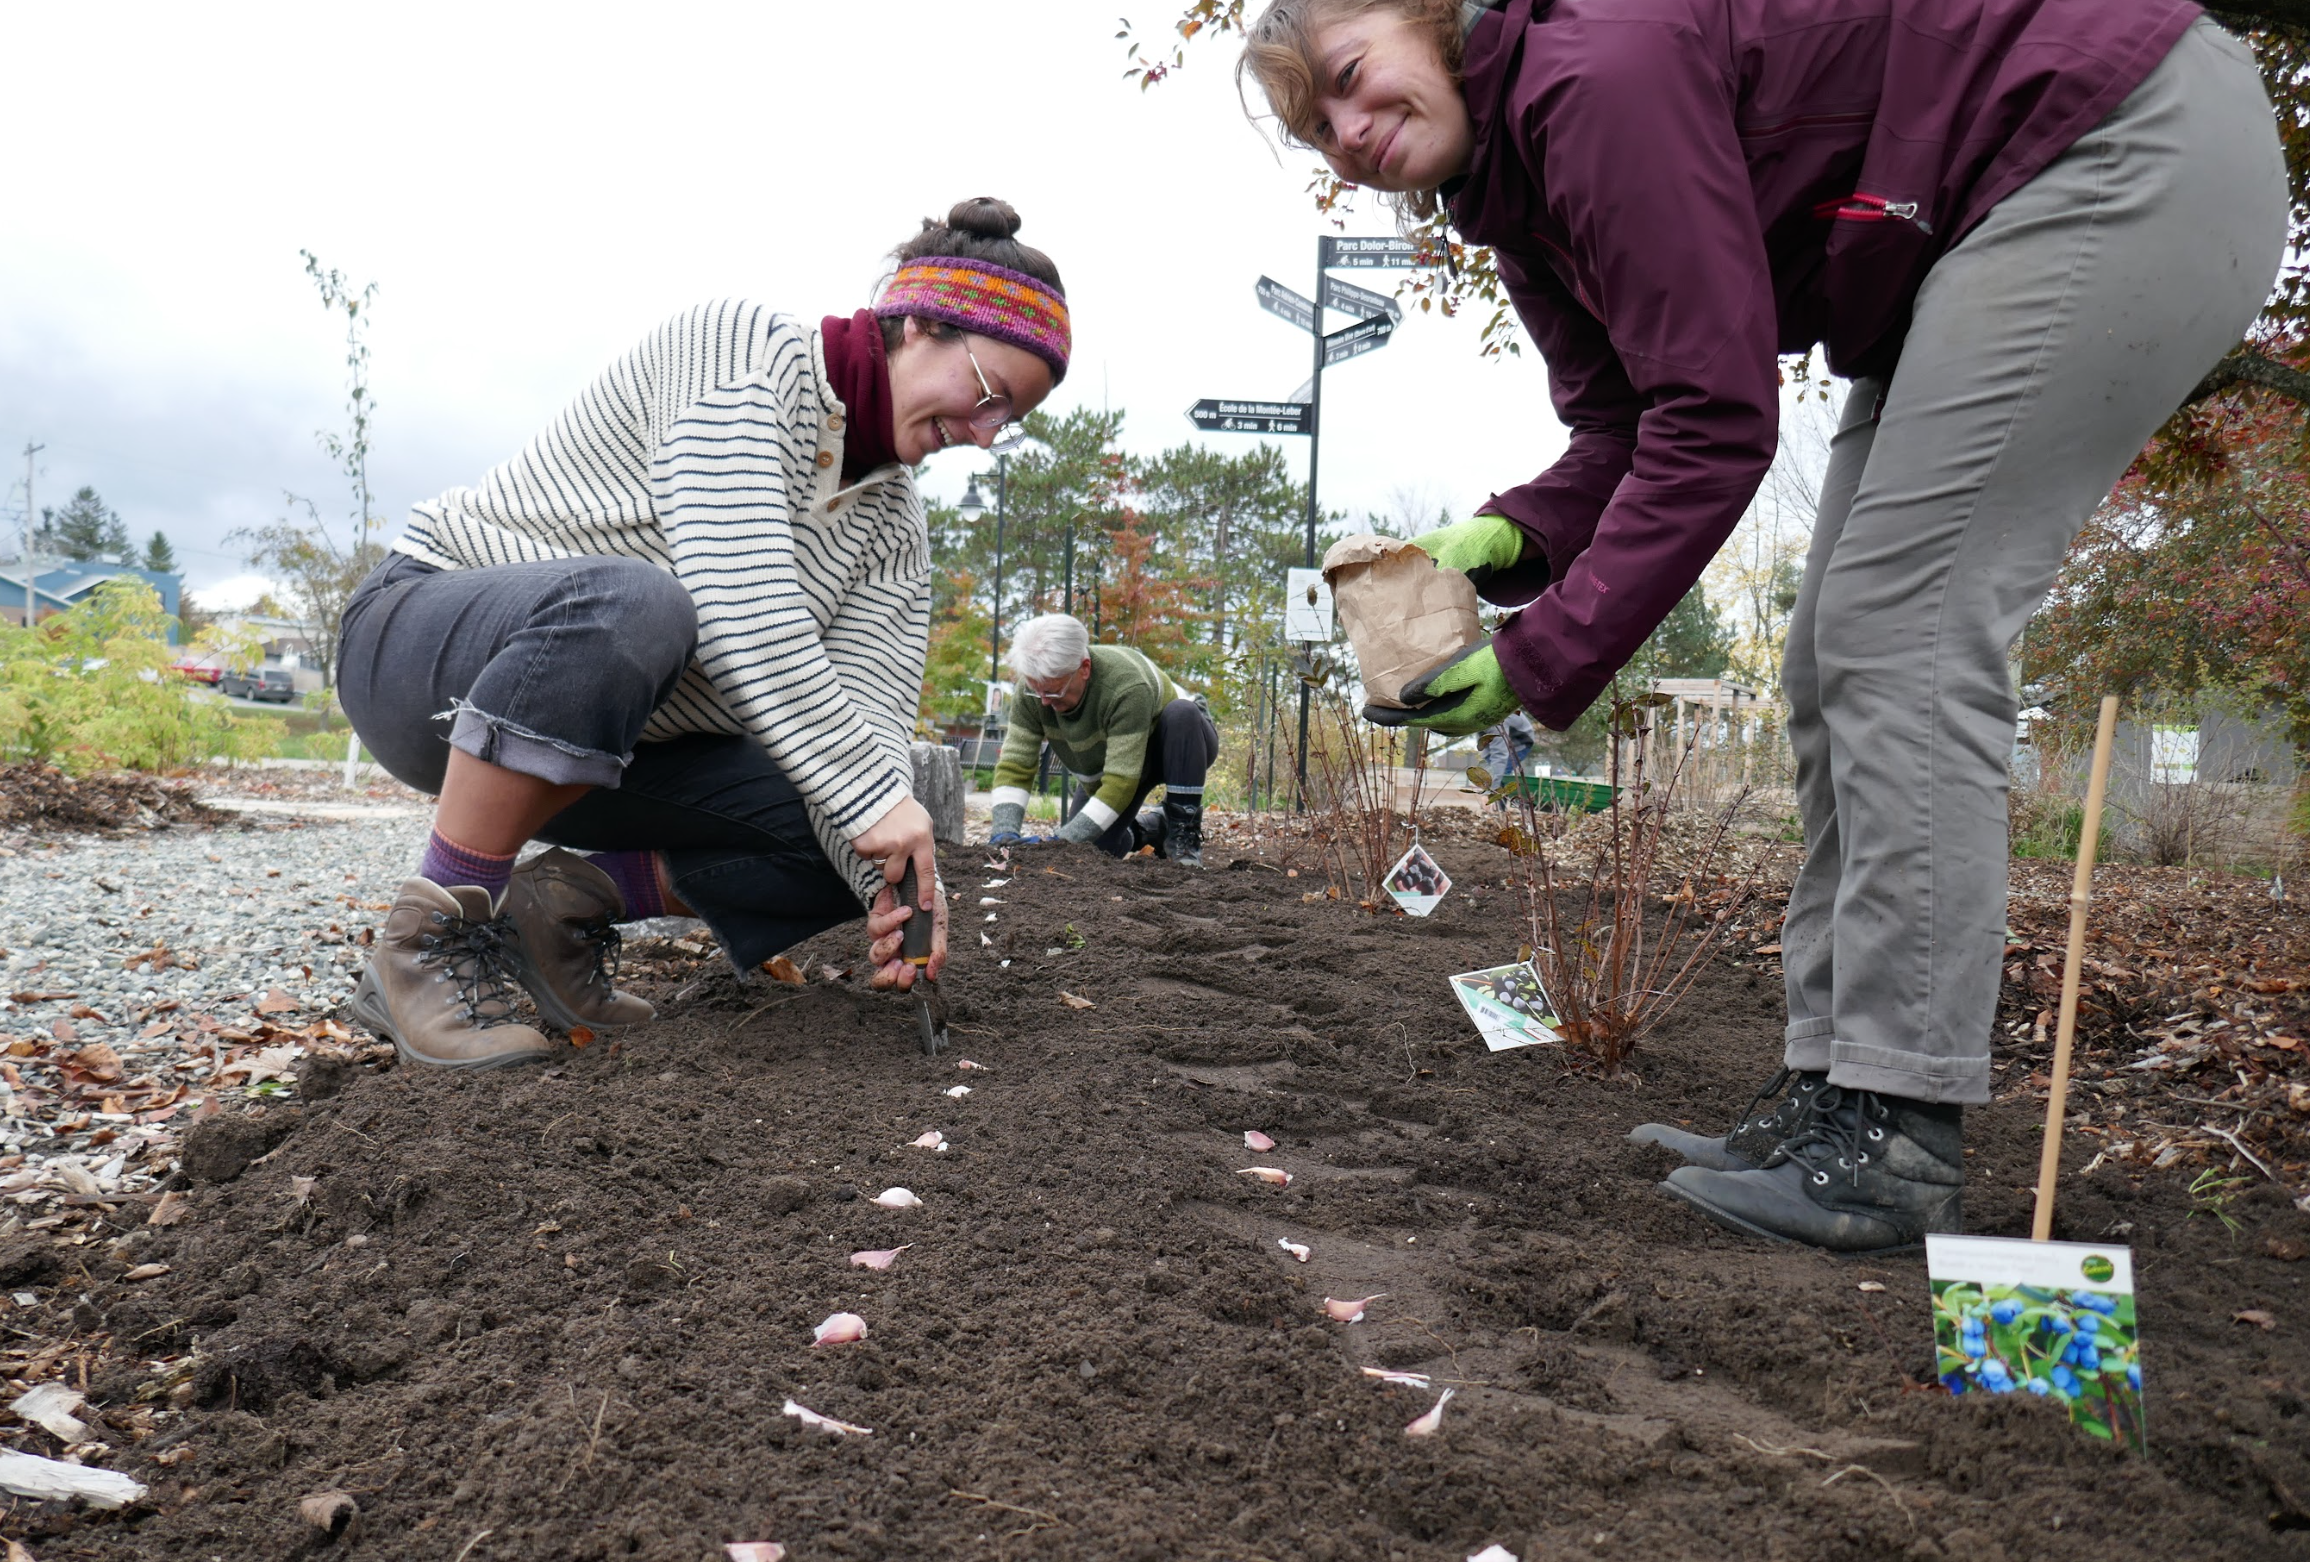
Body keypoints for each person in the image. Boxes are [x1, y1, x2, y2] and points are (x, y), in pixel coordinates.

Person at [1239, 0, 2284, 1251]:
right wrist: (1509, 539)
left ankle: (1897, 1129)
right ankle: (1835, 1095)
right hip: (1969, 226)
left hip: (2104, 140)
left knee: (1901, 634)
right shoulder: (1509, 188)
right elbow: (1626, 427)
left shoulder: (1589, 75)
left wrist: (1535, 654)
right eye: (1319, 129)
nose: (1349, 132)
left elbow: (1717, 420)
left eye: (1352, 80)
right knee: (1832, 655)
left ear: (1436, 23)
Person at [336, 199, 1070, 1069]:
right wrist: (874, 802)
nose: (985, 437)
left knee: (855, 827)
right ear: (917, 324)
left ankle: (562, 911)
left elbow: (867, 738)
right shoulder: (746, 351)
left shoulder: (895, 532)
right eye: (989, 395)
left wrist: (901, 885)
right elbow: (736, 596)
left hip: (612, 745)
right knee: (641, 605)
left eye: (1009, 422)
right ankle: (429, 939)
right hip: (425, 650)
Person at [985, 614, 1217, 867]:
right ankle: (1152, 829)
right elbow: (1016, 764)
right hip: (1115, 758)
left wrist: (1059, 841)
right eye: (1036, 690)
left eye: (1054, 691)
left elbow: (1120, 782)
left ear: (1084, 668)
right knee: (1086, 852)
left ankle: (1183, 834)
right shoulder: (1034, 689)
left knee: (1181, 713)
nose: (1044, 701)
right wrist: (1004, 835)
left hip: (1178, 743)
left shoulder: (1125, 687)